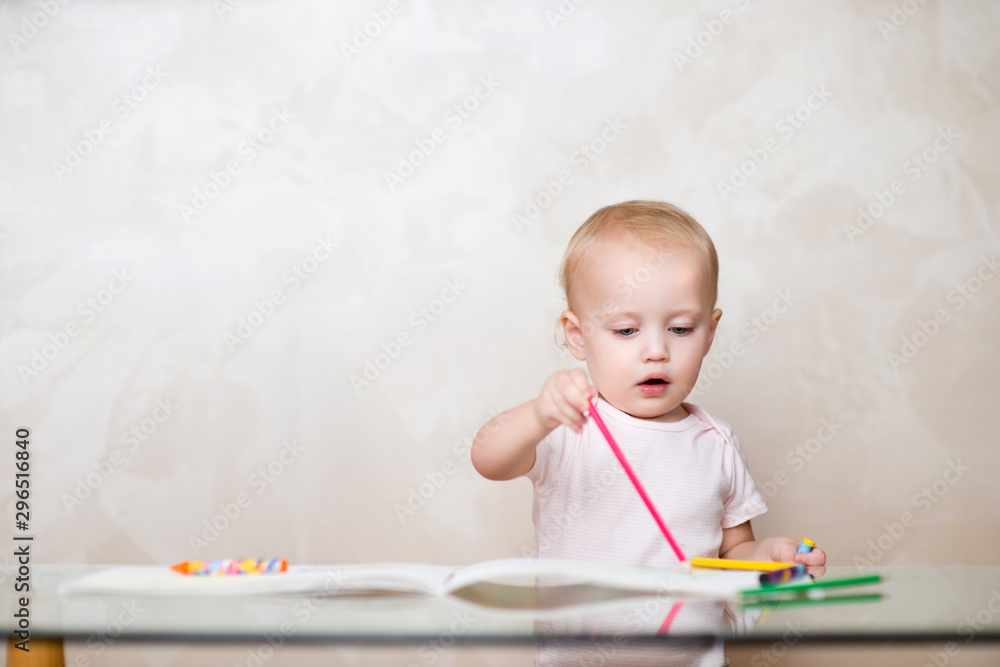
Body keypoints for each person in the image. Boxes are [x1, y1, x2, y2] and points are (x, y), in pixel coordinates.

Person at [471, 200, 827, 573]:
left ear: (709, 333)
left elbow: (732, 553)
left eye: (680, 329)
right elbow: (488, 460)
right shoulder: (570, 428)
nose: (657, 351)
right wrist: (539, 415)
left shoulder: (717, 443)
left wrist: (767, 557)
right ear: (578, 336)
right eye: (627, 330)